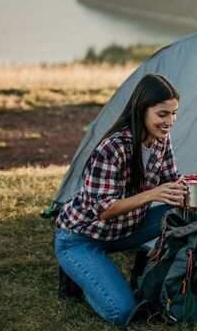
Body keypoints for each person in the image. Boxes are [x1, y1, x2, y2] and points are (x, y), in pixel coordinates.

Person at [55, 74, 188, 325]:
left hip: (124, 230)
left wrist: (191, 187)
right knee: (123, 312)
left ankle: (165, 273)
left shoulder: (161, 138)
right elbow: (104, 210)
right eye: (163, 114)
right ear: (141, 110)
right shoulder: (112, 147)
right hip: (80, 237)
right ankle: (81, 276)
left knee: (180, 213)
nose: (170, 121)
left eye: (174, 113)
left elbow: (171, 178)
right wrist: (153, 193)